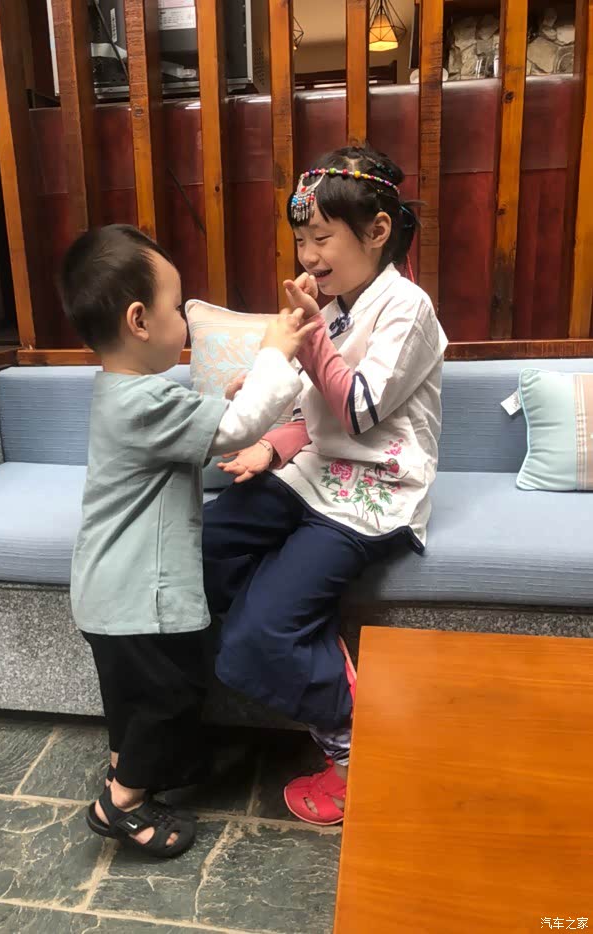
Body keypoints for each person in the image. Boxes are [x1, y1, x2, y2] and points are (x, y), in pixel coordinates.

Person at [202, 145, 448, 825]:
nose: (308, 255)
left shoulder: (408, 309)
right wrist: (270, 444)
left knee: (255, 637)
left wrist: (306, 337)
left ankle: (353, 747)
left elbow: (359, 410)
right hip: (310, 471)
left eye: (320, 238)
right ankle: (293, 623)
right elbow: (309, 411)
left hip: (373, 494)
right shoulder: (337, 306)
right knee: (204, 543)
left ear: (377, 231)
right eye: (301, 240)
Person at [59, 224, 315, 857]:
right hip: (137, 596)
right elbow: (235, 428)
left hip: (110, 592)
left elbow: (198, 426)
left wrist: (226, 399)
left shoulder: (126, 392)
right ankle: (120, 804)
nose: (184, 321)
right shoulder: (143, 403)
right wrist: (274, 353)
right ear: (139, 320)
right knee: (166, 697)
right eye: (177, 307)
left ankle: (124, 771)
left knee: (131, 698)